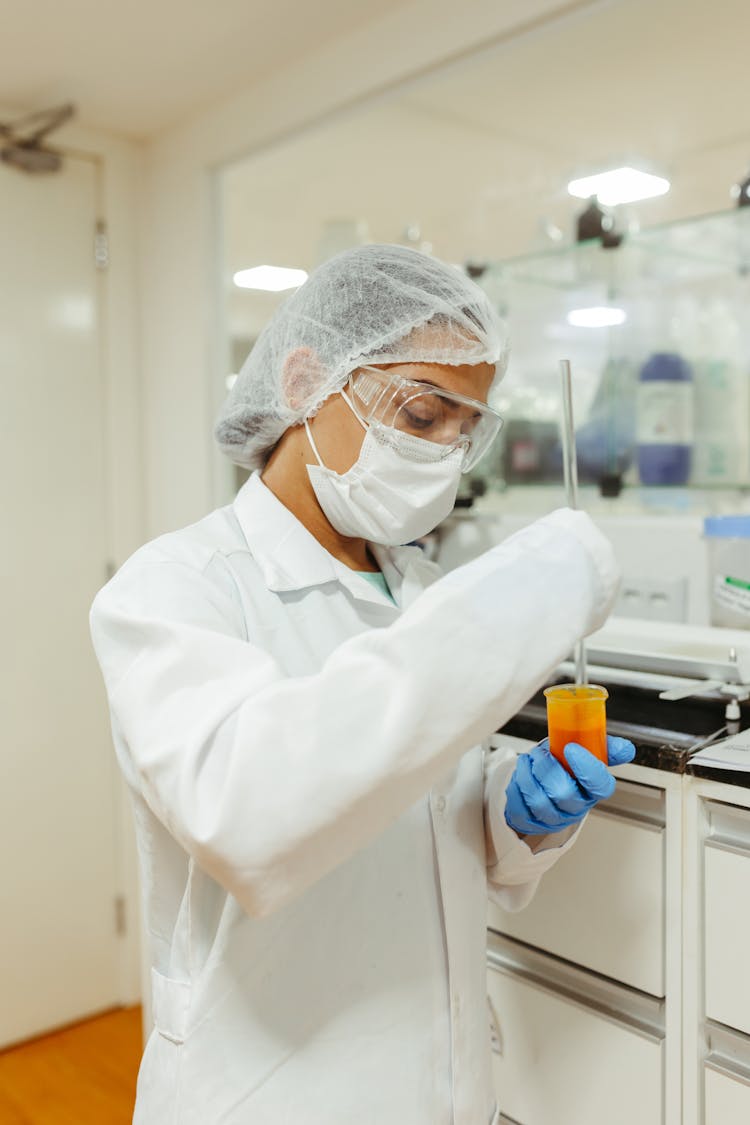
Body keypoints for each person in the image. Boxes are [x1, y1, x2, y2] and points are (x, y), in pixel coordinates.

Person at [90, 244, 634, 1125]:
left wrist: (512, 814)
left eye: (466, 429)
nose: (445, 454)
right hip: (271, 1087)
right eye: (422, 414)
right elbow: (254, 812)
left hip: (441, 1081)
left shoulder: (417, 590)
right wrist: (531, 590)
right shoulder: (174, 588)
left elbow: (417, 810)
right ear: (305, 380)